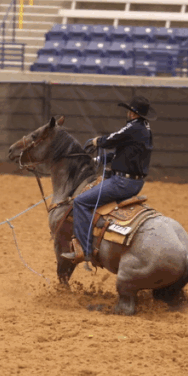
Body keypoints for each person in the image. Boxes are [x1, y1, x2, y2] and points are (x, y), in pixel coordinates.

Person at [61, 95, 155, 265]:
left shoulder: (133, 128)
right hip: (134, 182)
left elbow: (113, 138)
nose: (127, 113)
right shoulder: (144, 129)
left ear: (133, 113)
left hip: (122, 183)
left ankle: (85, 249)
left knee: (81, 202)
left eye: (129, 110)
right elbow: (124, 152)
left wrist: (97, 141)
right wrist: (97, 161)